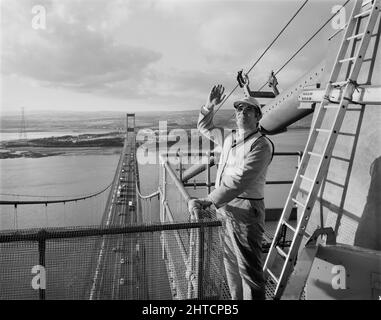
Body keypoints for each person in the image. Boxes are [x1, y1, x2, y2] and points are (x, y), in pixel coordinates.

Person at [188, 84, 274, 300]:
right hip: (225, 207)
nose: (241, 113)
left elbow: (240, 180)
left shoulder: (261, 145)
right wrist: (210, 105)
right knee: (231, 265)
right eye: (238, 110)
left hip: (246, 210)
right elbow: (203, 126)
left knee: (249, 270)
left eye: (247, 110)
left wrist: (208, 200)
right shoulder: (229, 137)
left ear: (257, 117)